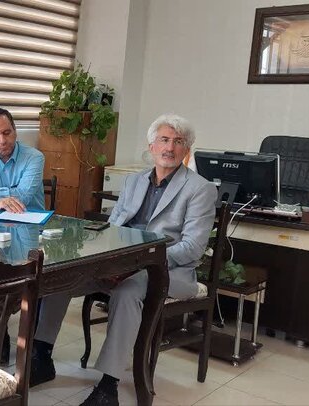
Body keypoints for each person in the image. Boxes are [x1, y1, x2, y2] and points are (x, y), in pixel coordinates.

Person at [32, 114, 217, 406]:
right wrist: (107, 259)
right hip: (120, 264)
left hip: (168, 272)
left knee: (129, 290)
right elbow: (113, 228)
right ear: (152, 146)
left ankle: (109, 386)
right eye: (164, 140)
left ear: (186, 149)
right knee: (61, 276)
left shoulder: (200, 189)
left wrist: (140, 261)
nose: (169, 148)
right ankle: (41, 357)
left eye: (178, 142)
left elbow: (192, 248)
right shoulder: (134, 181)